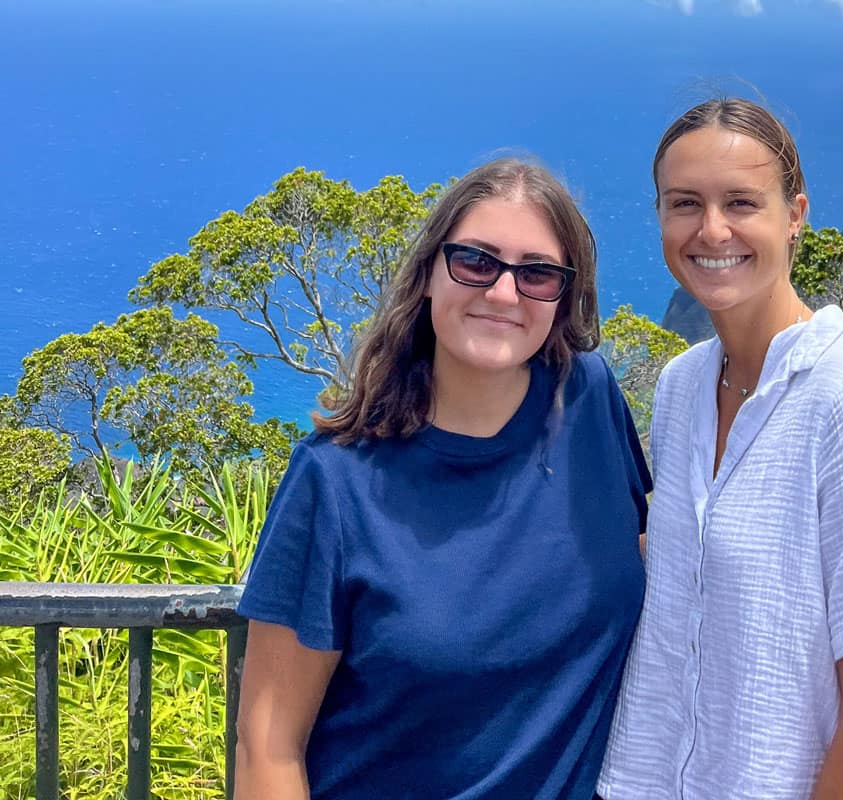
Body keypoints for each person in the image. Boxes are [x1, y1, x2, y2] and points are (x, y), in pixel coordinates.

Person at [233, 157, 652, 800]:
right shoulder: (337, 480)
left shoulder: (589, 398)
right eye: (476, 261)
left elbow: (646, 550)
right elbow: (267, 746)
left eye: (538, 273)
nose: (504, 293)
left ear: (564, 296)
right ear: (430, 272)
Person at [597, 98, 843, 800]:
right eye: (685, 203)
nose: (712, 229)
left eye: (742, 202)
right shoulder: (681, 388)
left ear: (795, 215)